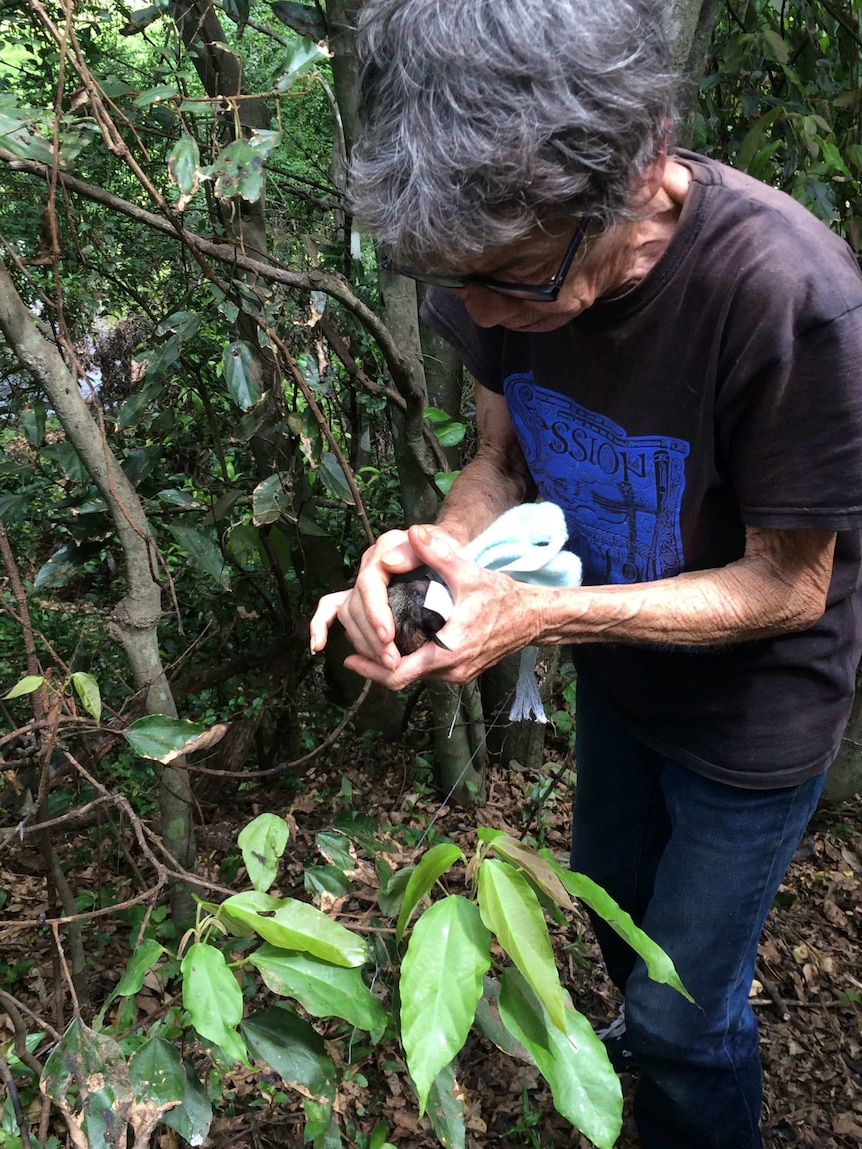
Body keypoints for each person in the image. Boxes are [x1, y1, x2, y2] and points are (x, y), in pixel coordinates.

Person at [309, 0, 862, 1145]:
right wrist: (445, 560)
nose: (482, 314)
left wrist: (544, 614)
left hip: (756, 717)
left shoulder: (787, 295)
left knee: (679, 1013)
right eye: (460, 283)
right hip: (619, 680)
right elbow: (498, 457)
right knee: (615, 919)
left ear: (642, 165)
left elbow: (790, 585)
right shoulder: (501, 247)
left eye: (511, 280)